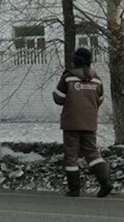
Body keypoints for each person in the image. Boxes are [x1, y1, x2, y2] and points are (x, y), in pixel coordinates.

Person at [52, 47, 113, 198]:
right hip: (90, 122)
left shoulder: (68, 77)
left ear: (76, 60)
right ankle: (105, 182)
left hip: (71, 123)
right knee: (92, 153)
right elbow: (99, 100)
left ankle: (74, 189)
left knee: (71, 155)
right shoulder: (97, 79)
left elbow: (58, 98)